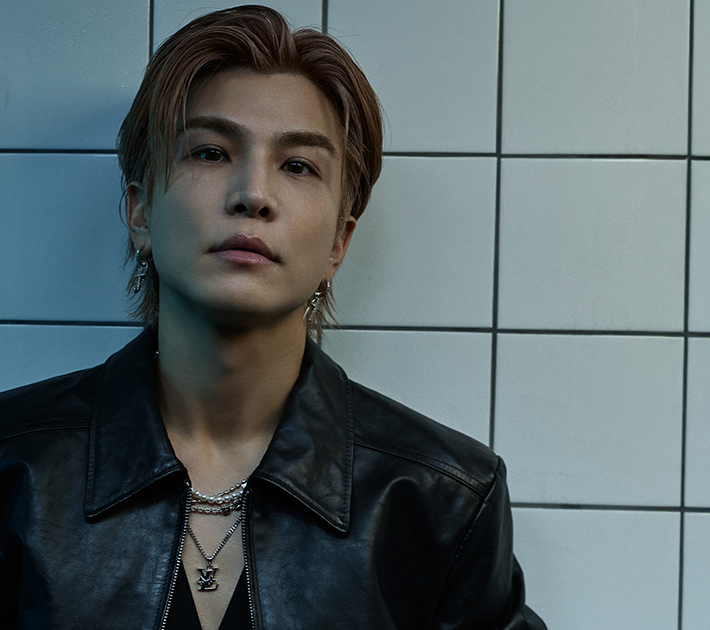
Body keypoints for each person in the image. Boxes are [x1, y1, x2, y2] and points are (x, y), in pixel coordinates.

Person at [0, 5, 545, 629]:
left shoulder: (443, 499)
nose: (253, 194)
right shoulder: (16, 467)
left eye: (298, 165)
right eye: (210, 152)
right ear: (141, 212)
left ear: (338, 242)